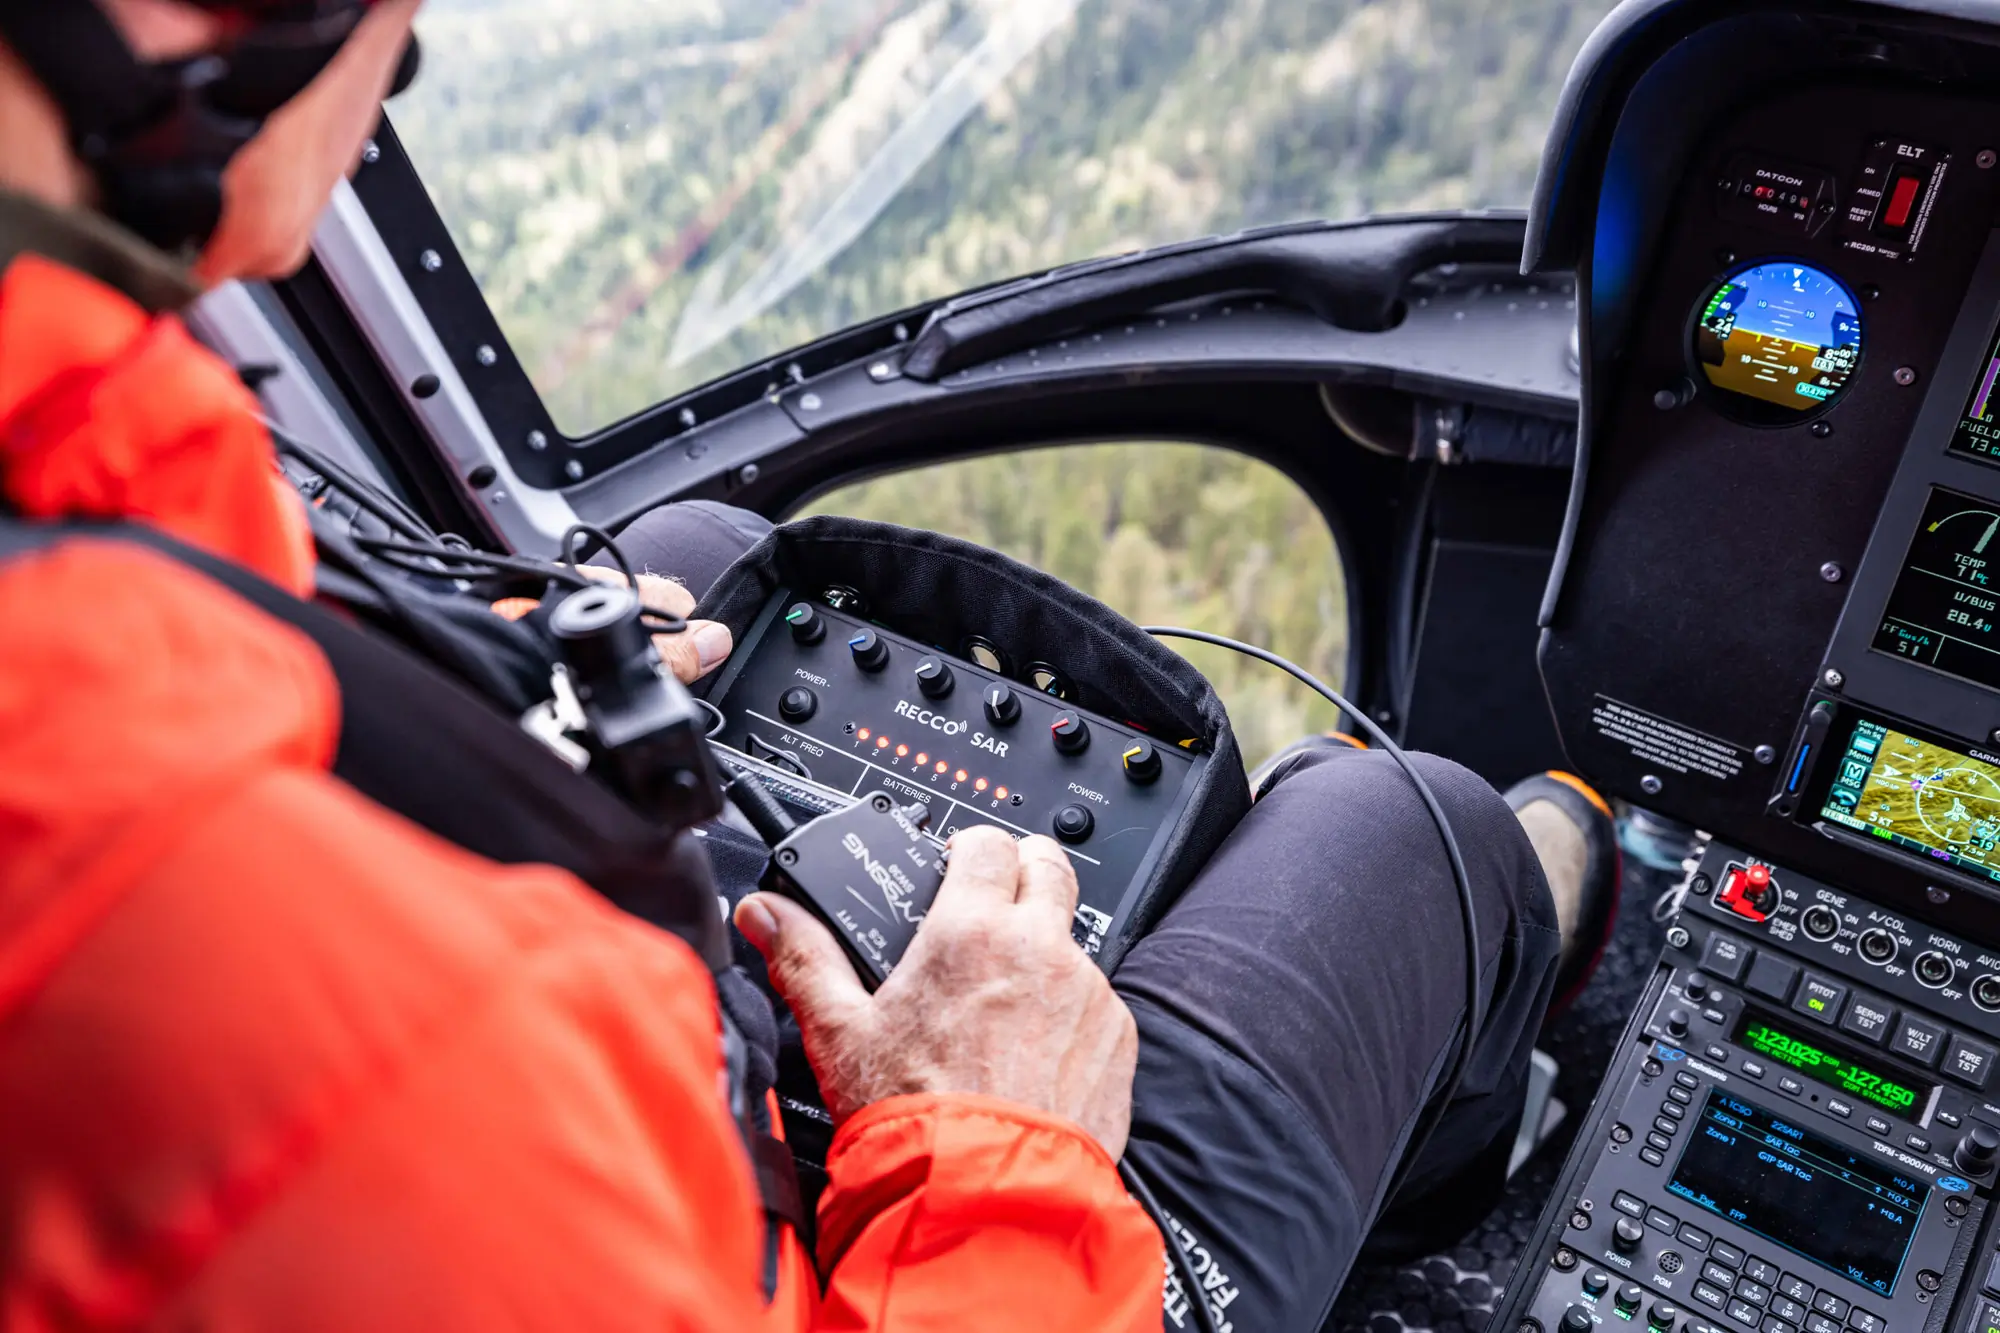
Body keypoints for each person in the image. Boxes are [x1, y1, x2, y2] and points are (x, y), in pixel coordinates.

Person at [0, 3, 1617, 1330]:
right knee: (1399, 833)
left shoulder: (70, 479)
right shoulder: (280, 1035)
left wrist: (442, 697)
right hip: (852, 1240)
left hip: (638, 1069)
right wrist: (998, 1139)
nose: (404, 34)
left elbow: (157, 629)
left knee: (703, 555)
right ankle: (1490, 1097)